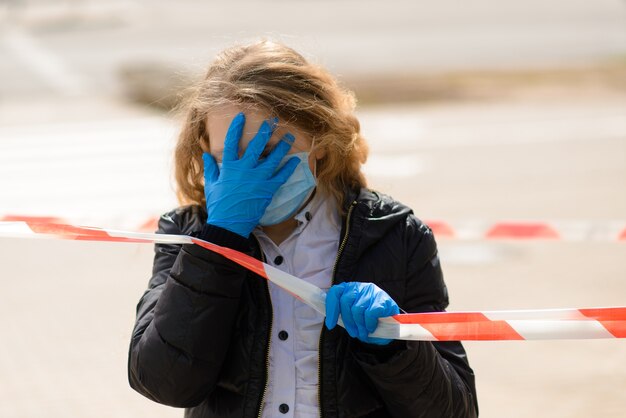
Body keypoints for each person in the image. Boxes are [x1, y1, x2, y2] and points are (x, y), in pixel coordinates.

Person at [128, 40, 478, 418]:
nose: (248, 177)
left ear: (320, 142)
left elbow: (454, 409)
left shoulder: (394, 234)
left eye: (268, 153)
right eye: (230, 158)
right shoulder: (185, 235)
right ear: (203, 149)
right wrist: (220, 240)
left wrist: (395, 347)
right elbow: (162, 381)